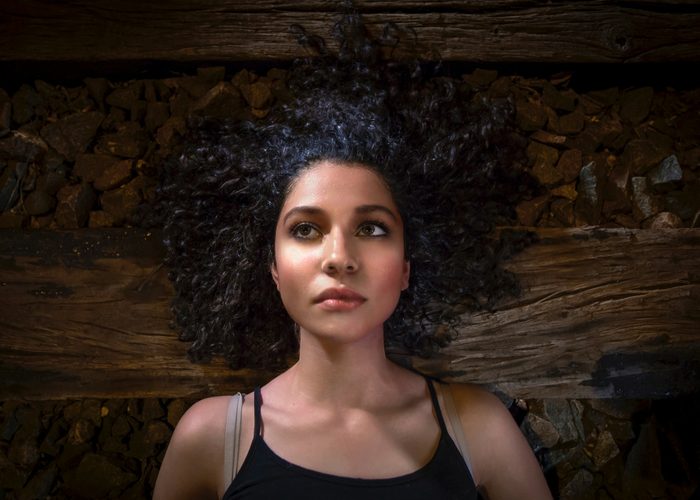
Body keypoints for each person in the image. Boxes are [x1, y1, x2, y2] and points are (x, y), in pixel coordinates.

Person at [153, 12, 552, 500]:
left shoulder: (480, 428)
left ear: (407, 266)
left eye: (371, 228)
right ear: (273, 269)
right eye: (305, 229)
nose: (339, 257)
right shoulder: (211, 438)